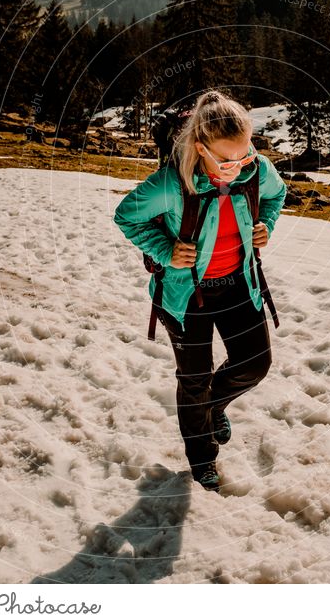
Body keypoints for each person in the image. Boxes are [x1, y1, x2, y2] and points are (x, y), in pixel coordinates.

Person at [113, 89, 287, 492]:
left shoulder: (256, 171)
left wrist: (265, 226)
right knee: (194, 378)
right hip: (186, 294)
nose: (239, 167)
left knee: (254, 363)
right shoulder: (172, 184)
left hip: (238, 284)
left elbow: (276, 195)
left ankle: (212, 405)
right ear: (200, 147)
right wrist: (165, 250)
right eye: (227, 161)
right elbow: (126, 216)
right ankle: (202, 458)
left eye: (246, 155)